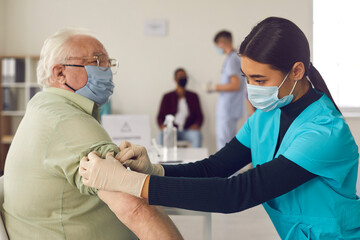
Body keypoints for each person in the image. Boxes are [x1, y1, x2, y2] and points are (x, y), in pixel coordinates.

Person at [79, 17, 360, 239]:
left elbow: (237, 193)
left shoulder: (324, 133)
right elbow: (212, 168)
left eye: (260, 80)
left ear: (297, 71)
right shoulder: (266, 117)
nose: (251, 91)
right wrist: (153, 170)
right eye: (247, 78)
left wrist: (130, 184)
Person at [2, 28, 182, 240]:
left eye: (108, 62)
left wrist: (152, 171)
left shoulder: (44, 109)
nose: (106, 70)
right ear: (59, 73)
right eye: (97, 61)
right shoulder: (66, 121)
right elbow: (135, 208)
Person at [205, 30, 248, 150]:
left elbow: (235, 85)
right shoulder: (232, 58)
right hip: (229, 108)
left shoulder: (232, 59)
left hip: (228, 109)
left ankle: (223, 169)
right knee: (225, 141)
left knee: (224, 143)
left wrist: (214, 87)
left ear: (221, 43)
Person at [157, 68, 203, 147]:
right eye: (181, 76)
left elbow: (200, 116)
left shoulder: (194, 96)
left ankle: (196, 159)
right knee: (161, 135)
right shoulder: (167, 97)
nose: (183, 79)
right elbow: (160, 116)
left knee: (197, 135)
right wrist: (163, 126)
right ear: (175, 79)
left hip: (188, 131)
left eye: (185, 77)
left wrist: (196, 125)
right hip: (171, 130)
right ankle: (162, 159)